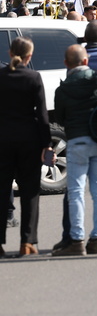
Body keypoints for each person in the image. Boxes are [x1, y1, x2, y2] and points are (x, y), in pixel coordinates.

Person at [52, 45, 97, 256]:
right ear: (86, 61)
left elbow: (60, 118)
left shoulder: (62, 89)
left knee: (76, 192)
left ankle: (76, 240)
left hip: (77, 142)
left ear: (66, 64)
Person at [0, 37, 53, 257]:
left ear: (10, 53)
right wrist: (47, 144)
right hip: (29, 141)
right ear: (29, 56)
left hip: (1, 140)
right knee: (30, 191)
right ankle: (28, 242)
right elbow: (41, 115)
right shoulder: (33, 77)